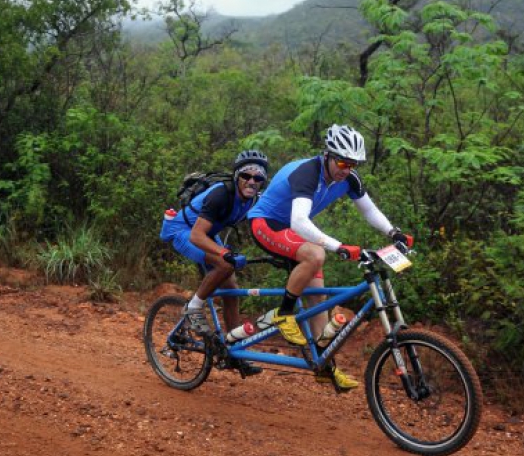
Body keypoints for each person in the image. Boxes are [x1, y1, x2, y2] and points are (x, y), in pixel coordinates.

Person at [247, 124, 411, 390]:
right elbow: (299, 221)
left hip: (291, 230)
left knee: (317, 300)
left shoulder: (349, 178)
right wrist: (339, 246)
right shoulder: (307, 172)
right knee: (316, 254)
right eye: (343, 162)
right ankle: (284, 313)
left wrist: (394, 233)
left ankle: (325, 367)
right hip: (266, 224)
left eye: (353, 164)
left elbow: (369, 211)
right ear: (328, 155)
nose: (347, 169)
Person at [160, 150, 270, 376]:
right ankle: (193, 309)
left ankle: (234, 348)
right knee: (224, 264)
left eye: (258, 178)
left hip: (206, 233)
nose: (252, 181)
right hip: (184, 231)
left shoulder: (252, 201)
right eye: (246, 176)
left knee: (232, 290)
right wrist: (224, 253)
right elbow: (196, 236)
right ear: (236, 176)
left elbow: (265, 230)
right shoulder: (221, 194)